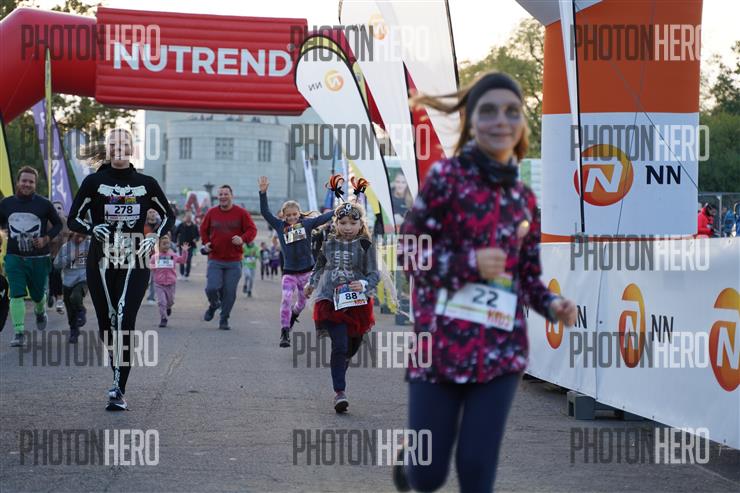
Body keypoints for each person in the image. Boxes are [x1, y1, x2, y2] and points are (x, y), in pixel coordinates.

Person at [393, 72, 578, 492]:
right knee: (428, 475)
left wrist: (552, 304)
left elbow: (527, 277)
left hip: (500, 353)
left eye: (512, 111)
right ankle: (413, 465)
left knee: (477, 471)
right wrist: (468, 263)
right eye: (488, 110)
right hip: (440, 349)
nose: (501, 120)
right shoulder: (445, 179)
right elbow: (409, 253)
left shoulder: (523, 199)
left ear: (522, 123)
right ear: (471, 121)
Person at [67, 127, 175, 411]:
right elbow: (73, 218)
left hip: (135, 259)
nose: (118, 148)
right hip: (101, 261)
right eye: (113, 144)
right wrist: (92, 228)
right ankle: (116, 372)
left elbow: (169, 215)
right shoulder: (94, 182)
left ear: (131, 149)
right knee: (108, 324)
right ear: (107, 148)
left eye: (124, 144)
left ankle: (118, 388)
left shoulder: (146, 183)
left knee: (125, 320)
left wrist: (154, 235)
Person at [304, 199, 378, 413]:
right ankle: (339, 392)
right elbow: (319, 267)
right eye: (343, 223)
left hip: (357, 304)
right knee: (340, 345)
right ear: (336, 223)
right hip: (330, 301)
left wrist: (364, 283)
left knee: (351, 347)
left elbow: (375, 274)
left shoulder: (366, 245)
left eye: (352, 223)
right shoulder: (328, 244)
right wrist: (311, 283)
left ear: (361, 224)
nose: (347, 227)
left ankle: (342, 363)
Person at [258, 176, 334, 347]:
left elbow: (323, 218)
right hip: (290, 272)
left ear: (299, 214)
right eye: (288, 215)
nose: (292, 217)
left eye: (294, 214)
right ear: (283, 216)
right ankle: (285, 332)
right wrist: (263, 194)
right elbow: (265, 213)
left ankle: (296, 316)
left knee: (303, 303)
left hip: (307, 272)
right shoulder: (280, 226)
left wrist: (339, 210)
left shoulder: (307, 224)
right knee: (286, 298)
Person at [0, 166, 63, 347]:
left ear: (35, 184)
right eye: (24, 181)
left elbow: (58, 224)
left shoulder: (44, 204)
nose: (27, 184)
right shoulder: (6, 204)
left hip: (39, 259)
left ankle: (40, 310)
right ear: (17, 182)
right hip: (14, 257)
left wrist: (46, 239)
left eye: (31, 182)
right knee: (16, 293)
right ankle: (19, 332)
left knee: (37, 295)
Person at [200, 184, 257, 330]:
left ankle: (224, 318)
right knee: (211, 288)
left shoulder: (241, 213)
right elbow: (203, 230)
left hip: (234, 261)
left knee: (229, 292)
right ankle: (214, 304)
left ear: (232, 196)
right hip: (215, 259)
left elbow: (252, 229)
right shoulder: (212, 213)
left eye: (226, 194)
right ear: (217, 197)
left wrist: (243, 239)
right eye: (221, 194)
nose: (223, 197)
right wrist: (206, 243)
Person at [53, 232, 90, 343]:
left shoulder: (89, 245)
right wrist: (71, 257)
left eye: (83, 236)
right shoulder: (66, 248)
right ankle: (74, 330)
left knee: (75, 296)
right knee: (70, 309)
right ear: (72, 235)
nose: (80, 239)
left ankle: (81, 310)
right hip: (68, 282)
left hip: (83, 279)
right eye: (77, 236)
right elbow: (56, 265)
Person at [149, 235, 190, 327]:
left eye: (168, 244)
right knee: (161, 302)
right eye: (164, 244)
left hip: (171, 283)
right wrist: (154, 267)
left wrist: (184, 251)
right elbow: (150, 266)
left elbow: (182, 260)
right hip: (159, 283)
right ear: (159, 246)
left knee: (170, 301)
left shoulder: (173, 255)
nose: (166, 246)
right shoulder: (155, 257)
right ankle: (163, 318)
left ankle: (168, 307)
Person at [48, 200, 70, 314]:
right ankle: (51, 294)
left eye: (59, 208)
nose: (57, 210)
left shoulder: (66, 223)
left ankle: (59, 298)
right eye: (55, 208)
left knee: (56, 274)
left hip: (62, 255)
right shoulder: (47, 222)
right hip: (49, 255)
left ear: (63, 210)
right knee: (51, 274)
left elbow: (70, 238)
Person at [173, 210, 199, 279]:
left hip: (190, 246)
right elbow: (175, 233)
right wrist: (176, 241)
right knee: (182, 259)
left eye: (190, 217)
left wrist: (196, 239)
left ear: (191, 218)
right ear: (185, 217)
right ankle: (182, 274)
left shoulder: (194, 226)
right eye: (187, 216)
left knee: (188, 260)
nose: (188, 218)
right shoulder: (181, 225)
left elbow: (198, 236)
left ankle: (187, 274)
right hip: (182, 245)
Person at [144, 209, 162, 304]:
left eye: (154, 212)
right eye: (150, 212)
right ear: (147, 214)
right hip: (144, 254)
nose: (152, 214)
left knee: (154, 277)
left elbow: (166, 237)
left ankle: (151, 297)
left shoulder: (161, 225)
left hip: (156, 254)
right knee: (144, 277)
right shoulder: (142, 225)